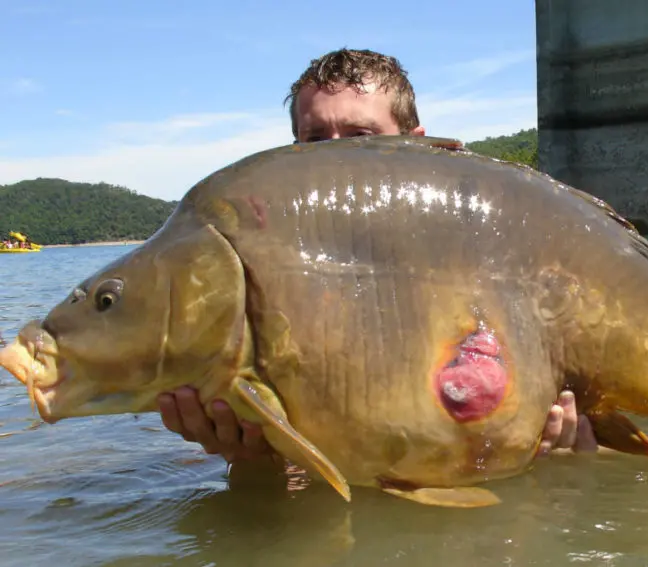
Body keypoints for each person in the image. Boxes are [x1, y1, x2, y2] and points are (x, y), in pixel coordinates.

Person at [156, 48, 599, 467]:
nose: (335, 155)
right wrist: (251, 459)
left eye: (359, 137)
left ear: (417, 144)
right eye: (315, 139)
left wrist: (565, 459)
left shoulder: (498, 250)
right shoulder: (273, 280)